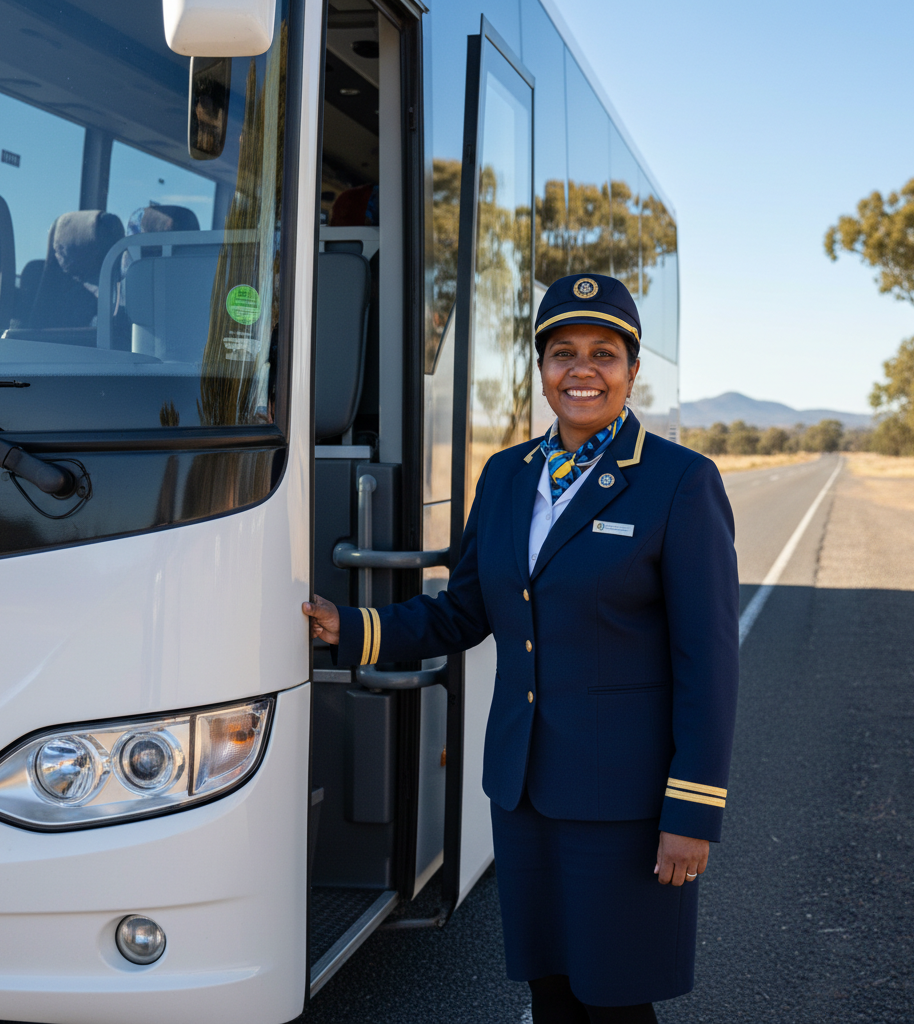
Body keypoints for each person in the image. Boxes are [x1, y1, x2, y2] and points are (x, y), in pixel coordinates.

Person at [303, 273, 739, 1023]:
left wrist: (691, 811)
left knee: (616, 1001)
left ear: (634, 371)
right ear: (540, 370)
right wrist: (355, 627)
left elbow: (709, 666)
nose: (582, 370)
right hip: (525, 790)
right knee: (551, 994)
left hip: (623, 804)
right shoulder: (507, 477)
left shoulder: (678, 483)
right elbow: (465, 612)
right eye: (562, 352)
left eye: (604, 353)